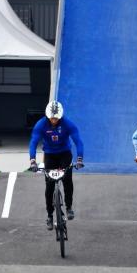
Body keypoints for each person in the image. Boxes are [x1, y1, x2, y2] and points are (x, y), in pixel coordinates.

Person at [29, 99, 84, 230]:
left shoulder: (68, 124)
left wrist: (80, 159)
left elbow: (78, 142)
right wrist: (32, 160)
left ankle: (69, 207)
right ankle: (49, 215)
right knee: (49, 186)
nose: (54, 120)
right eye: (51, 118)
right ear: (47, 116)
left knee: (67, 180)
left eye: (56, 118)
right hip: (49, 155)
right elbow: (33, 143)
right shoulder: (40, 125)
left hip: (65, 154)